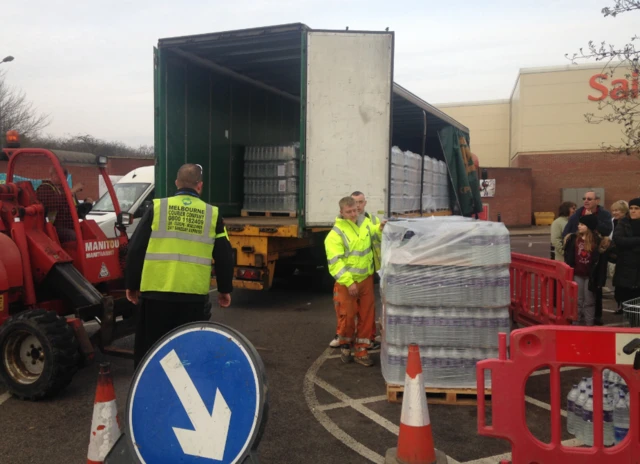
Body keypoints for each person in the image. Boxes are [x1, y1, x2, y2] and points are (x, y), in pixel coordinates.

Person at [125, 164, 234, 368]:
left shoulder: (157, 208)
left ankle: (147, 394)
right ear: (200, 186)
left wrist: (132, 283)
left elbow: (136, 248)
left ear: (176, 183)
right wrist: (224, 289)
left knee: (151, 353)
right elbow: (224, 255)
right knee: (189, 354)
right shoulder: (212, 214)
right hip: (192, 298)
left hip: (155, 295)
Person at [325, 196, 382, 367]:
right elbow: (335, 263)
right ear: (341, 212)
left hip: (365, 279)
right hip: (347, 283)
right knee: (348, 317)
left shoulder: (364, 223)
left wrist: (381, 227)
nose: (353, 214)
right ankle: (345, 345)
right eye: (349, 212)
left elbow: (373, 231)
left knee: (366, 316)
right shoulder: (335, 234)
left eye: (355, 210)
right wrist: (349, 283)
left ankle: (361, 351)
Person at [563, 191, 612, 325]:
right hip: (578, 268)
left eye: (589, 199)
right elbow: (566, 232)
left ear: (597, 200)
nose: (586, 201)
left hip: (592, 268)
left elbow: (607, 230)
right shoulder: (578, 214)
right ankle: (577, 321)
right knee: (578, 298)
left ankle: (594, 319)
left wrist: (593, 223)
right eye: (584, 198)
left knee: (593, 295)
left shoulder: (604, 214)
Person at [36, 166, 84, 242]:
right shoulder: (45, 188)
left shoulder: (65, 190)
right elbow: (52, 204)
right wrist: (71, 192)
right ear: (52, 175)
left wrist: (86, 204)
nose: (63, 176)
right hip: (53, 226)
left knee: (86, 232)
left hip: (70, 225)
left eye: (65, 174)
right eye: (59, 174)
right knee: (72, 236)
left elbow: (74, 207)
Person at [612, 197, 640, 313]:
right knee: (626, 297)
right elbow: (618, 240)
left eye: (637, 208)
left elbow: (625, 242)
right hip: (625, 266)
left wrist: (630, 243)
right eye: (631, 208)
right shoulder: (623, 223)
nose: (633, 211)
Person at [610, 200, 629, 314]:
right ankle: (619, 304)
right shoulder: (613, 222)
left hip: (625, 256)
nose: (614, 213)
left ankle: (625, 305)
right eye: (613, 210)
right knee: (617, 283)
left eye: (617, 210)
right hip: (616, 256)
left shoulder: (627, 223)